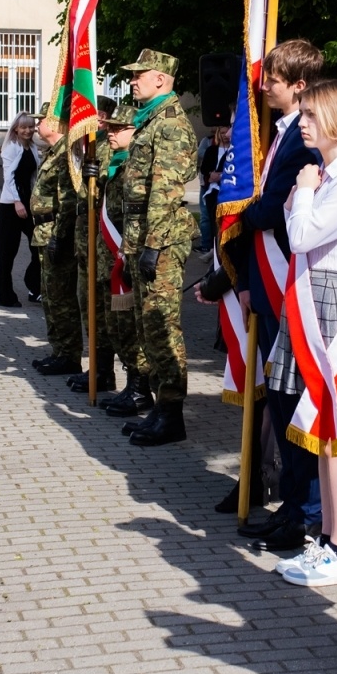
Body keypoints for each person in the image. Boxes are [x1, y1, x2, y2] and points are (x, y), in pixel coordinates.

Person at [261, 79, 337, 587]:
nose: (302, 122)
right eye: (303, 113)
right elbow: (295, 234)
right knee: (324, 434)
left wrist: (304, 194)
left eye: (311, 114)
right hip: (309, 292)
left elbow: (304, 234)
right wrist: (305, 194)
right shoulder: (329, 174)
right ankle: (330, 542)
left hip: (330, 302)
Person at [230, 39, 326, 544]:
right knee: (279, 397)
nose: (263, 85)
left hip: (289, 280)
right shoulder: (277, 133)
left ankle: (305, 509)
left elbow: (277, 209)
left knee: (293, 402)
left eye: (273, 78)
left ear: (300, 85)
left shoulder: (306, 141)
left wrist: (236, 212)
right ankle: (291, 501)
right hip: (266, 284)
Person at [117, 49, 198, 446]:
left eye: (139, 75)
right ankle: (158, 408)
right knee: (146, 324)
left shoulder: (169, 124)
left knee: (162, 326)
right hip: (142, 234)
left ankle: (172, 413)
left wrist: (152, 245)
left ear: (162, 80)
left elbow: (165, 192)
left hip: (160, 239)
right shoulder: (148, 121)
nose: (133, 80)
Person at [97, 100, 153, 415]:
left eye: (120, 128)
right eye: (112, 127)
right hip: (115, 257)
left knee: (133, 327)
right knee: (118, 326)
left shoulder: (135, 164)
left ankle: (140, 389)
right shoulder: (116, 164)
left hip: (129, 256)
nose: (112, 133)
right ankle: (132, 384)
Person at [67, 97, 121, 395]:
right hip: (86, 241)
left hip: (105, 244)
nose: (97, 120)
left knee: (104, 311)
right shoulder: (86, 144)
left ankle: (105, 372)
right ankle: (99, 369)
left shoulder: (109, 146)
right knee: (88, 306)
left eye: (101, 115)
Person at [30, 114, 82, 374]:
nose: (37, 125)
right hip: (43, 231)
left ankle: (69, 355)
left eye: (42, 120)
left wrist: (60, 237)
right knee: (49, 297)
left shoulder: (66, 154)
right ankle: (58, 350)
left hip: (55, 232)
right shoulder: (52, 152)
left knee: (61, 297)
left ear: (56, 124)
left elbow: (68, 201)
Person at [0, 112, 42, 306]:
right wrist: (17, 202)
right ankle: (5, 295)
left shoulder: (32, 147)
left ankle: (33, 286)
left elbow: (33, 176)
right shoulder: (10, 148)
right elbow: (9, 177)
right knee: (7, 251)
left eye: (31, 126)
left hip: (28, 201)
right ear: (16, 128)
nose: (28, 130)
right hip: (11, 204)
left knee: (38, 246)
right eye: (23, 127)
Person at [198, 125, 229, 254]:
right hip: (211, 189)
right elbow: (204, 168)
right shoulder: (211, 150)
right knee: (210, 219)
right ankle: (211, 247)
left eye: (226, 132)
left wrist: (221, 176)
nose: (224, 135)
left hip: (225, 189)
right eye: (221, 132)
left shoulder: (234, 151)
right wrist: (210, 175)